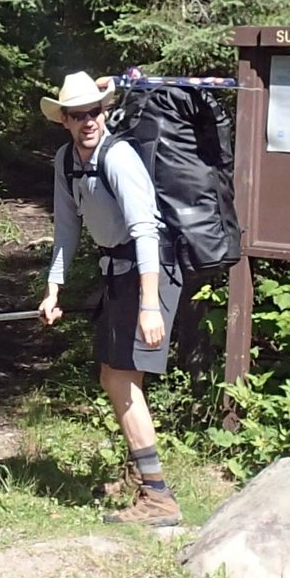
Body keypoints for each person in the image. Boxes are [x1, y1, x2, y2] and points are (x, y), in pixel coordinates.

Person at [36, 71, 183, 526]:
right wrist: (53, 288)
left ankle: (157, 496)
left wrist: (149, 303)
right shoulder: (66, 160)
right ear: (63, 119)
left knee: (120, 379)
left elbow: (145, 230)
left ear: (105, 111)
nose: (88, 122)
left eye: (94, 112)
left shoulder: (118, 157)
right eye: (78, 115)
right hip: (116, 273)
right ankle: (146, 479)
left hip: (147, 272)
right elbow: (66, 228)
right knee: (114, 377)